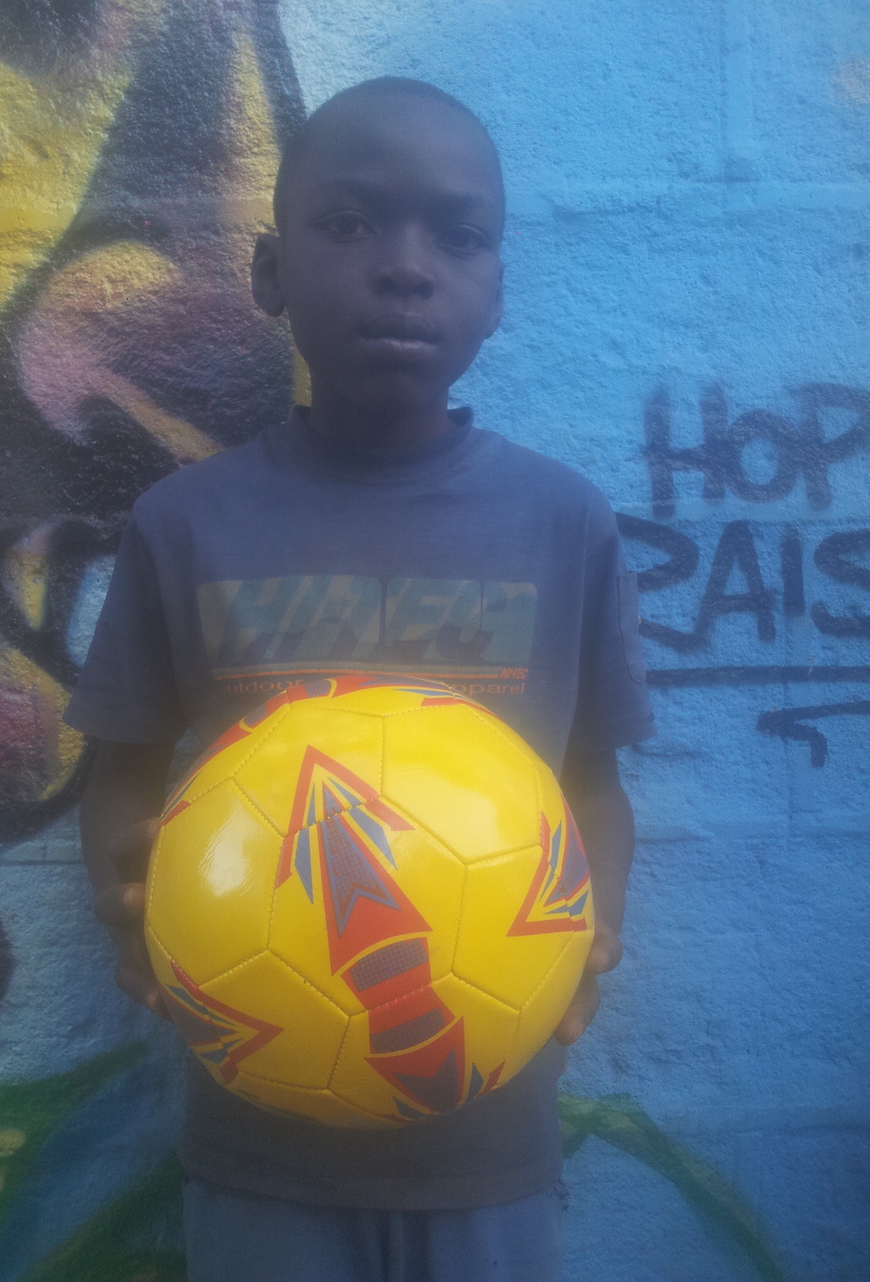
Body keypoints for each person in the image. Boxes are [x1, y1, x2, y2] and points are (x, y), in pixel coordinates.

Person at [65, 76, 654, 1282]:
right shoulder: (186, 521)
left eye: (458, 235)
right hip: (258, 1140)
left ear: (497, 288)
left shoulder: (561, 520)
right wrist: (130, 893)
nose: (404, 268)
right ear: (271, 272)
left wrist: (589, 926)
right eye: (349, 223)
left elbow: (592, 779)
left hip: (490, 1137)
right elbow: (120, 771)